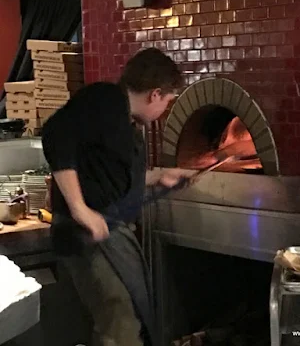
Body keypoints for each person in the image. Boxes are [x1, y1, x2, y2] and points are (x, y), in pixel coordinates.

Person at [41, 48, 194, 346]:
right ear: (155, 94)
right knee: (119, 318)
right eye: (167, 101)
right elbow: (55, 136)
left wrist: (159, 177)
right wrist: (80, 209)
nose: (165, 108)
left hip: (110, 233)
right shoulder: (105, 99)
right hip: (86, 235)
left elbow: (108, 177)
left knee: (126, 316)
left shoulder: (127, 122)